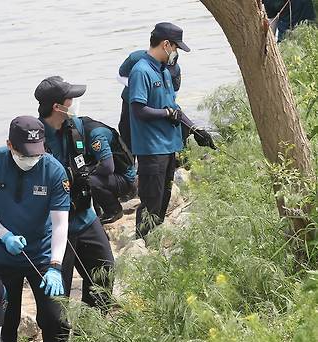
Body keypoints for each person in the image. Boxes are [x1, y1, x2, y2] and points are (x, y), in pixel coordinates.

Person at [0, 115, 70, 342]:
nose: (31, 159)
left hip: (42, 256)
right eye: (25, 153)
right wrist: (4, 235)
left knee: (55, 318)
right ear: (10, 145)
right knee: (4, 320)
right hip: (3, 256)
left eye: (36, 154)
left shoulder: (53, 170)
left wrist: (56, 266)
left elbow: (60, 223)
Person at [35, 77, 116, 310]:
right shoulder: (36, 138)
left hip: (85, 217)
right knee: (59, 294)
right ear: (57, 107)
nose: (74, 103)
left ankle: (92, 327)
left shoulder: (76, 128)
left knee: (104, 272)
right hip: (56, 226)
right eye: (70, 99)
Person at [128, 23, 215, 238]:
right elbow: (139, 109)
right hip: (151, 149)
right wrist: (166, 114)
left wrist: (194, 128)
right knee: (151, 201)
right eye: (176, 48)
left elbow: (174, 108)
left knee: (164, 197)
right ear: (165, 44)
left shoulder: (164, 71)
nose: (176, 53)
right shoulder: (141, 71)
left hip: (168, 146)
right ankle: (141, 246)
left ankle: (155, 241)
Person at [118, 50, 182, 152]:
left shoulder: (176, 71)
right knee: (127, 136)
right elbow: (120, 75)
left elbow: (173, 96)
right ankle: (129, 164)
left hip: (159, 104)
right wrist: (141, 86)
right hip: (131, 101)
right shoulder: (137, 58)